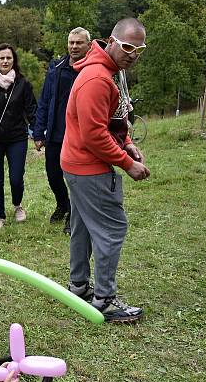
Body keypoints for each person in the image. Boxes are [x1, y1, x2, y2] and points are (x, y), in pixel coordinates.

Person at [62, 18, 151, 323]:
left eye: (139, 50)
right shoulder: (98, 79)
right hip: (89, 168)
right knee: (111, 230)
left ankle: (78, 287)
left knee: (84, 226)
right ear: (111, 41)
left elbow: (112, 120)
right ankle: (104, 300)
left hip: (79, 164)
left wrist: (126, 142)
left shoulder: (110, 73)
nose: (132, 54)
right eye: (127, 47)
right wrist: (127, 164)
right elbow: (94, 135)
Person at [34, 28, 92, 234]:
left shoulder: (92, 70)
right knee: (53, 175)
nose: (74, 46)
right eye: (71, 43)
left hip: (80, 136)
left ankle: (73, 216)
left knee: (75, 178)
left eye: (79, 43)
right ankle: (63, 204)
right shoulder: (56, 68)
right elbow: (44, 100)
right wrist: (38, 132)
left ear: (88, 45)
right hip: (56, 134)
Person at [0, 44, 38, 229]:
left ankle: (18, 206)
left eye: (8, 58)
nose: (5, 61)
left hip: (18, 137)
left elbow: (31, 110)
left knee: (16, 178)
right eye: (2, 58)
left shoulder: (22, 84)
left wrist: (38, 132)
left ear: (14, 61)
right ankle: (0, 216)